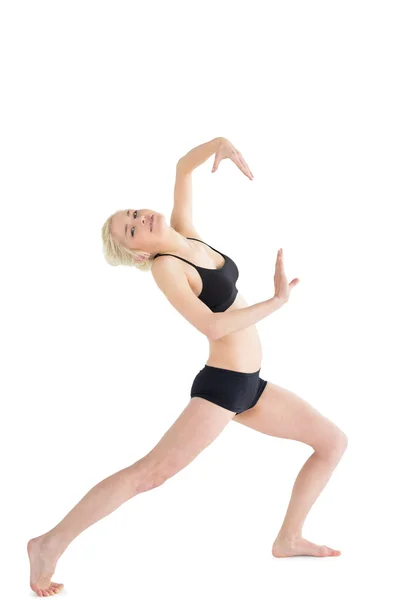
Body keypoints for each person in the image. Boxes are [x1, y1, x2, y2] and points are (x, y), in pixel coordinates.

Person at [27, 137, 347, 596]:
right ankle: (48, 544)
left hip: (251, 386)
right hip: (222, 388)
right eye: (132, 230)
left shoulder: (186, 232)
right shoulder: (165, 267)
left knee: (332, 442)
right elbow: (213, 327)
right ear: (138, 253)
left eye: (134, 214)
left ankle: (288, 538)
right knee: (148, 475)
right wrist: (275, 303)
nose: (140, 219)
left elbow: (182, 167)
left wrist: (219, 144)